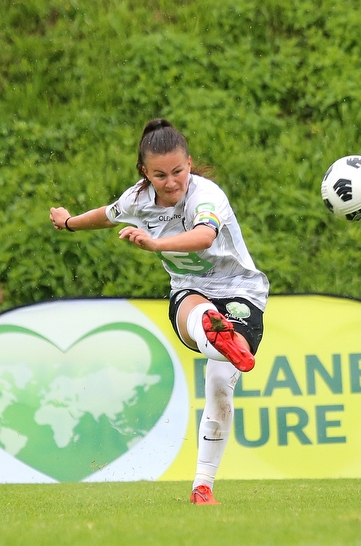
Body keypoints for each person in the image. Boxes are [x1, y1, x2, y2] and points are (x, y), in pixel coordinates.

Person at [49, 118, 269, 506]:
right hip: (191, 291)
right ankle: (213, 333)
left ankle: (203, 483)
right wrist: (69, 223)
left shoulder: (206, 194)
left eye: (178, 171)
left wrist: (154, 245)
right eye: (160, 175)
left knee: (219, 386)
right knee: (195, 312)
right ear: (145, 173)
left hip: (240, 290)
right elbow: (106, 214)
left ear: (189, 164)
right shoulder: (138, 199)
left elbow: (205, 236)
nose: (171, 182)